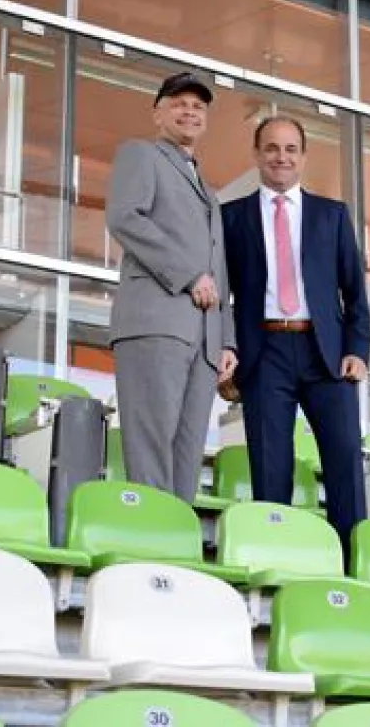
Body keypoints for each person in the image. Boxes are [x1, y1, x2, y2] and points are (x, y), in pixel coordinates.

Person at [221, 115, 370, 561]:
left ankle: (350, 564)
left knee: (345, 460)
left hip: (327, 355)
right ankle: (278, 559)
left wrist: (357, 350)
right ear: (256, 154)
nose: (281, 157)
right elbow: (223, 294)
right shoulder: (231, 217)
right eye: (271, 148)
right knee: (270, 466)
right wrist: (225, 350)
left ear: (303, 157)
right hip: (264, 353)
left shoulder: (332, 215)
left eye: (290, 149)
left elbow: (355, 292)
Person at [106, 71, 237, 503]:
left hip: (203, 341)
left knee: (186, 459)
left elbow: (219, 269)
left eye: (198, 106)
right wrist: (188, 275)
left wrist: (226, 340)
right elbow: (125, 217)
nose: (189, 111)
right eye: (179, 103)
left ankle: (176, 538)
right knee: (151, 449)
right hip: (156, 324)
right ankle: (152, 537)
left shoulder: (207, 190)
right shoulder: (141, 154)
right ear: (157, 113)